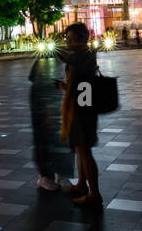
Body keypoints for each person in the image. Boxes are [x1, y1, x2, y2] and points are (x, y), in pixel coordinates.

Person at [56, 22, 102, 208]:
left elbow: (79, 87)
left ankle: (95, 195)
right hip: (82, 107)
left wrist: (63, 86)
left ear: (80, 39)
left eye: (69, 38)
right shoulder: (84, 56)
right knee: (80, 149)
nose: (67, 41)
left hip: (81, 110)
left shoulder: (81, 57)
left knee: (84, 151)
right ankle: (82, 185)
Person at [28, 54, 68, 190]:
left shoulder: (59, 58)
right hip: (44, 102)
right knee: (43, 138)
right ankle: (45, 176)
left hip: (54, 98)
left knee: (57, 138)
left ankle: (59, 173)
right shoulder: (47, 58)